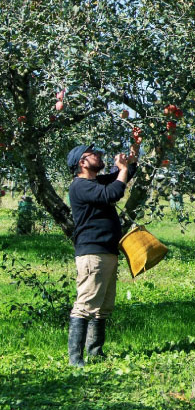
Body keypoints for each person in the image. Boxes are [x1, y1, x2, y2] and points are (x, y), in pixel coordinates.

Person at [65, 144, 137, 367]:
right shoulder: (80, 186)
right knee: (86, 304)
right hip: (92, 253)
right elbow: (114, 192)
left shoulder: (94, 182)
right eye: (93, 154)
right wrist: (123, 168)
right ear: (82, 163)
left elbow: (125, 174)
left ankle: (95, 352)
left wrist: (134, 152)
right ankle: (75, 359)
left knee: (103, 306)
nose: (99, 156)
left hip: (106, 251)